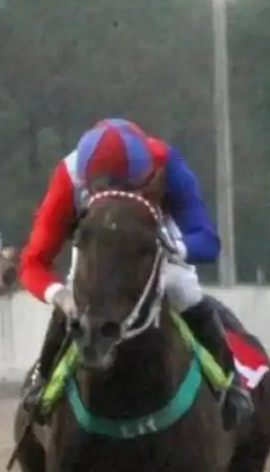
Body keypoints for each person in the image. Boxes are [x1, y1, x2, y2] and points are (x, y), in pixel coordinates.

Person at [18, 117, 253, 430]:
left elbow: (207, 240)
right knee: (79, 294)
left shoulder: (165, 162)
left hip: (153, 241)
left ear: (147, 177)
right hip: (96, 243)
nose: (117, 195)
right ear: (87, 182)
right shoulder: (68, 175)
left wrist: (175, 247)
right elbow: (32, 261)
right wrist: (59, 296)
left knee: (184, 291)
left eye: (127, 189)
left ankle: (230, 384)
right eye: (107, 188)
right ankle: (43, 383)